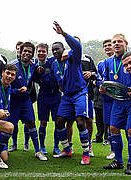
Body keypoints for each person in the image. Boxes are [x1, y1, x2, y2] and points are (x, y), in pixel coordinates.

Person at [101, 34, 131, 175]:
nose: (116, 44)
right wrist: (103, 88)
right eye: (114, 42)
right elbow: (105, 80)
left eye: (119, 41)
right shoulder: (108, 62)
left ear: (126, 43)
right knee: (113, 128)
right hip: (117, 101)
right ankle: (118, 161)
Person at [51, 21, 91, 165]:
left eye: (58, 49)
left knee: (81, 122)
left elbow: (77, 46)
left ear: (64, 49)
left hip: (80, 93)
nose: (55, 52)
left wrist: (64, 34)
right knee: (60, 122)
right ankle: (67, 149)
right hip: (66, 96)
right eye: (53, 50)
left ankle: (86, 153)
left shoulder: (73, 57)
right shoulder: (54, 63)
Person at [7, 42, 47, 161]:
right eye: (25, 51)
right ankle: (6, 146)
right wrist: (16, 90)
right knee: (11, 125)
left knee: (31, 123)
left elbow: (36, 79)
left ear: (32, 54)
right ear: (20, 51)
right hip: (14, 100)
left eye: (30, 52)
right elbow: (5, 85)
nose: (27, 53)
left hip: (26, 100)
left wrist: (40, 73)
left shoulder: (34, 67)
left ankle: (38, 151)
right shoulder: (12, 65)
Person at [33, 43, 61, 155]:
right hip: (43, 96)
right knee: (43, 122)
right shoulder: (34, 65)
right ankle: (42, 146)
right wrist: (37, 73)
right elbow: (32, 79)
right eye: (39, 51)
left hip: (55, 96)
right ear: (36, 53)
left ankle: (56, 146)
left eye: (43, 51)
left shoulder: (52, 61)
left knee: (58, 122)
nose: (41, 53)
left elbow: (63, 54)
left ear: (47, 52)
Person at [75, 36, 97, 157]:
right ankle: (68, 147)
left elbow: (96, 73)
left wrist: (91, 73)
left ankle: (89, 145)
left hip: (87, 94)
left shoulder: (87, 58)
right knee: (69, 122)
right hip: (71, 94)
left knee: (88, 120)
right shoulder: (67, 57)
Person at [96, 39, 116, 160]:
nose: (108, 47)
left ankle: (130, 154)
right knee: (110, 126)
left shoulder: (121, 60)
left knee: (128, 128)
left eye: (110, 45)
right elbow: (99, 79)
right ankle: (113, 150)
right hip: (107, 99)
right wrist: (100, 86)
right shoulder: (101, 63)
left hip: (119, 99)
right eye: (105, 46)